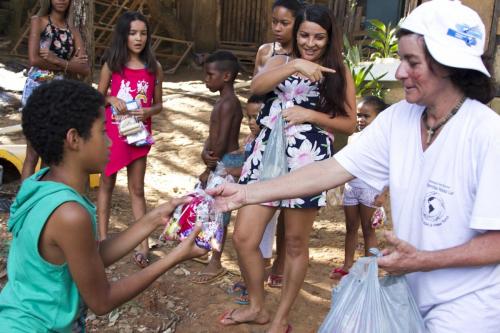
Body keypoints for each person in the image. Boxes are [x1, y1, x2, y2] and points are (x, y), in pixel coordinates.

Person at [209, 1, 500, 332]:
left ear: (448, 66)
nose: (400, 72)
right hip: (408, 298)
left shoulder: (488, 136)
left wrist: (424, 261)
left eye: (412, 62)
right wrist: (245, 193)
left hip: (468, 307)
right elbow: (330, 170)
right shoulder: (399, 119)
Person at [0, 79, 206, 332]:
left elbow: (89, 258)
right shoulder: (69, 214)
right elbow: (102, 300)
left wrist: (153, 219)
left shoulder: (40, 184)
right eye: (104, 131)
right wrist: (176, 256)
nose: (111, 140)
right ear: (74, 139)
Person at [218, 4, 356, 332]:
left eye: (319, 37)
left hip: (307, 160)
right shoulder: (280, 60)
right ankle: (257, 306)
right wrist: (295, 64)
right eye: (304, 35)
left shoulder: (339, 70)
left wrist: (310, 115)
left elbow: (350, 124)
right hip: (266, 156)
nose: (311, 42)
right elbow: (257, 87)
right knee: (244, 237)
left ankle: (280, 317)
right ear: (296, 33)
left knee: (295, 243)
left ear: (329, 37)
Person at [96, 11, 163, 268]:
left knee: (137, 189)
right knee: (106, 184)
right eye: (133, 33)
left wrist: (148, 111)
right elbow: (98, 96)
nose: (138, 38)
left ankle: (143, 245)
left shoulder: (153, 67)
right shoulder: (112, 65)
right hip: (113, 135)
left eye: (143, 33)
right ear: (123, 35)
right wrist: (111, 99)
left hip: (139, 136)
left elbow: (159, 105)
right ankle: (102, 240)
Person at [253, 0, 307, 290]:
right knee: (265, 201)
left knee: (290, 208)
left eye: (284, 23)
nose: (277, 27)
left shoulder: (312, 57)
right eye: (274, 21)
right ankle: (259, 263)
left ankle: (280, 262)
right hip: (267, 134)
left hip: (297, 142)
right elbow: (257, 91)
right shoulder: (267, 52)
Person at [21, 0, 90, 181]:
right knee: (32, 152)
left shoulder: (73, 31)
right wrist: (69, 65)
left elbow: (84, 69)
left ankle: (43, 203)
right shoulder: (39, 21)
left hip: (59, 96)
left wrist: (56, 60)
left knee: (50, 154)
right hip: (36, 92)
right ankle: (22, 204)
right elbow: (34, 59)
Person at [192, 51, 243, 284]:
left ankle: (216, 261)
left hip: (226, 163)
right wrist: (205, 151)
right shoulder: (223, 101)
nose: (206, 79)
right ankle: (208, 251)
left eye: (210, 75)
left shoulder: (229, 103)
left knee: (220, 212)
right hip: (219, 160)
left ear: (226, 76)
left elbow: (221, 141)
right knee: (211, 209)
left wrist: (209, 167)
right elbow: (213, 136)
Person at [330, 96, 388, 279]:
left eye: (366, 116)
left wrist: (384, 192)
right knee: (350, 227)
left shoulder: (383, 140)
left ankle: (370, 270)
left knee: (368, 229)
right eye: (358, 115)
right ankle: (347, 265)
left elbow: (391, 168)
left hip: (371, 190)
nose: (361, 119)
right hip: (351, 188)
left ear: (379, 118)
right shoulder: (353, 137)